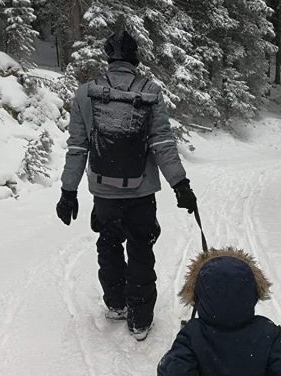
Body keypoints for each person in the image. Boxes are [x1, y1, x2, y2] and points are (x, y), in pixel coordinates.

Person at [56, 30, 197, 340]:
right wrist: (180, 184)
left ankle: (116, 303)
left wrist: (69, 191)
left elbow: (78, 147)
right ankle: (140, 319)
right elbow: (162, 142)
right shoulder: (150, 92)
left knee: (108, 244)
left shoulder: (85, 94)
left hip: (103, 190)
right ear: (136, 59)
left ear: (108, 57)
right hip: (141, 191)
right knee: (141, 249)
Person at [157, 247, 281, 376]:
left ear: (197, 295)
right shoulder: (266, 331)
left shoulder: (192, 333)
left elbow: (180, 373)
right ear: (253, 293)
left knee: (171, 365)